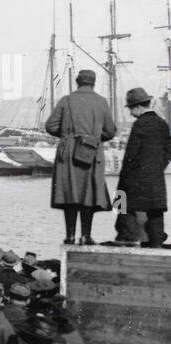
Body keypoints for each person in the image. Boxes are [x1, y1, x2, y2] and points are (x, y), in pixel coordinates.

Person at [44, 68, 118, 244]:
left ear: (78, 82)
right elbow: (110, 131)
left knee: (69, 194)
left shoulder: (66, 100)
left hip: (67, 154)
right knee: (88, 194)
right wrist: (93, 138)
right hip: (91, 153)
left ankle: (69, 236)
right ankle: (86, 235)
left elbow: (50, 126)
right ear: (93, 83)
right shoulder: (101, 102)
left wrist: (67, 136)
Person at [116, 86, 171, 247]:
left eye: (131, 109)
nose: (131, 113)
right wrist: (159, 166)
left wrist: (124, 177)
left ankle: (129, 241)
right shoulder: (162, 124)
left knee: (127, 209)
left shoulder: (139, 125)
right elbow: (168, 150)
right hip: (156, 178)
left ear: (138, 107)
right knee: (156, 213)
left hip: (136, 180)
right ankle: (156, 247)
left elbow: (130, 155)